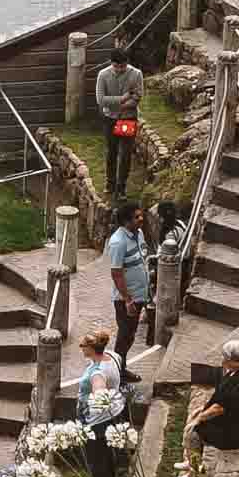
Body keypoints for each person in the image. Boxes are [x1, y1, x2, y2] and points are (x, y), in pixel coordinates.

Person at [185, 338, 239, 461]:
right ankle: (189, 462)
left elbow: (218, 409)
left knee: (194, 431)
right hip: (238, 419)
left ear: (237, 362)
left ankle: (193, 470)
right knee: (195, 418)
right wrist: (202, 409)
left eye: (226, 359)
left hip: (237, 433)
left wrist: (198, 419)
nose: (223, 362)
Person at [76, 326, 125, 477]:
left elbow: (99, 392)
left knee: (95, 458)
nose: (81, 347)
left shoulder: (97, 373)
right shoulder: (113, 356)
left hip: (95, 421)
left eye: (83, 345)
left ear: (90, 348)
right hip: (114, 413)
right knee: (105, 455)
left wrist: (95, 401)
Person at [95, 42, 144, 200]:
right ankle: (110, 183)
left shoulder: (136, 74)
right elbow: (101, 100)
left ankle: (121, 187)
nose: (120, 69)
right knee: (112, 151)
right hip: (110, 119)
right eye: (117, 66)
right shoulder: (103, 75)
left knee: (126, 154)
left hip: (127, 118)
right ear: (112, 63)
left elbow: (137, 97)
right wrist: (123, 99)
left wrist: (120, 106)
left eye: (123, 66)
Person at [106, 201, 151, 374]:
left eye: (141, 215)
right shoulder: (118, 242)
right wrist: (128, 300)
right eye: (136, 217)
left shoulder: (138, 233)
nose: (141, 219)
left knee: (130, 335)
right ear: (126, 222)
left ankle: (120, 369)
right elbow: (116, 273)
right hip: (127, 299)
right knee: (125, 337)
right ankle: (117, 372)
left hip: (140, 295)